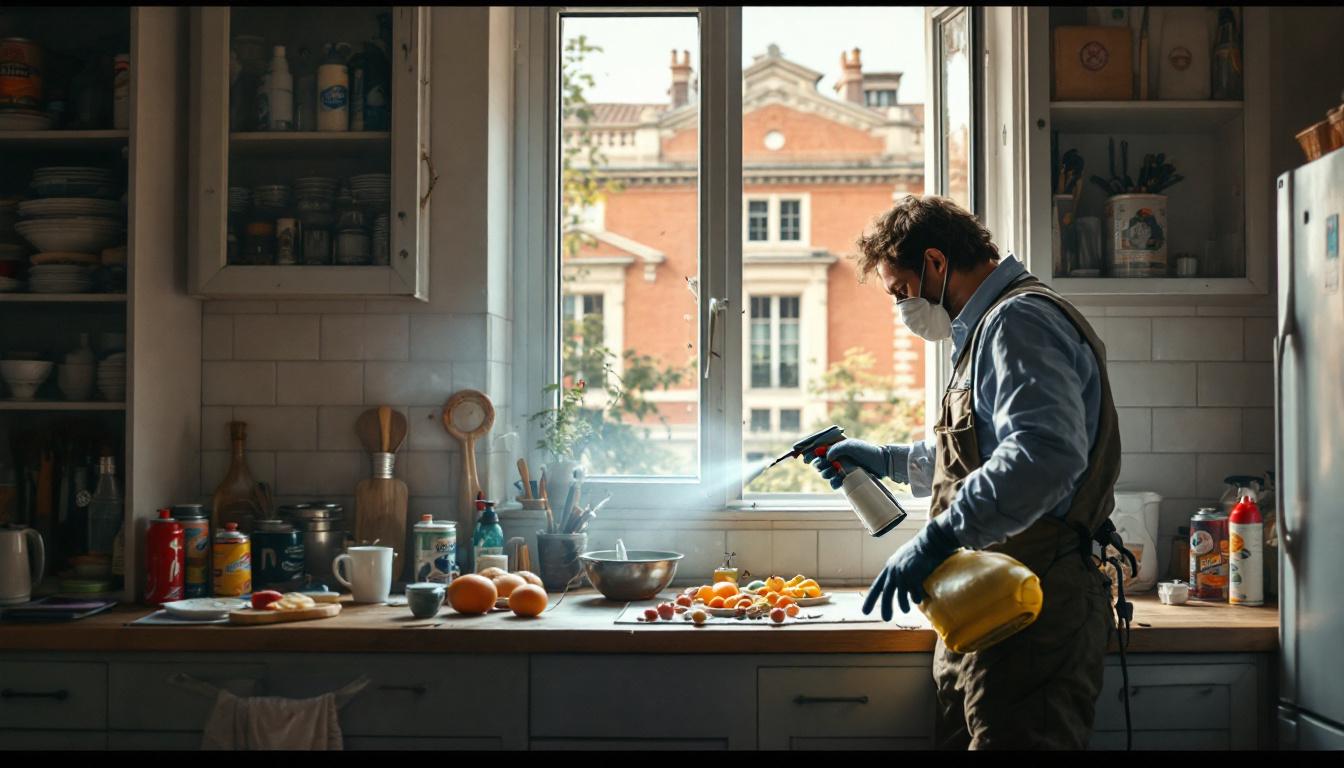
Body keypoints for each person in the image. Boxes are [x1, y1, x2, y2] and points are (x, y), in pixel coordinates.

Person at [812, 195, 1121, 749]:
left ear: (935, 262)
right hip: (990, 602)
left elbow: (1043, 454)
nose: (903, 308)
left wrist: (935, 538)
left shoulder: (1018, 320)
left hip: (1035, 608)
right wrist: (881, 459)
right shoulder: (987, 329)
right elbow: (979, 451)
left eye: (901, 291)